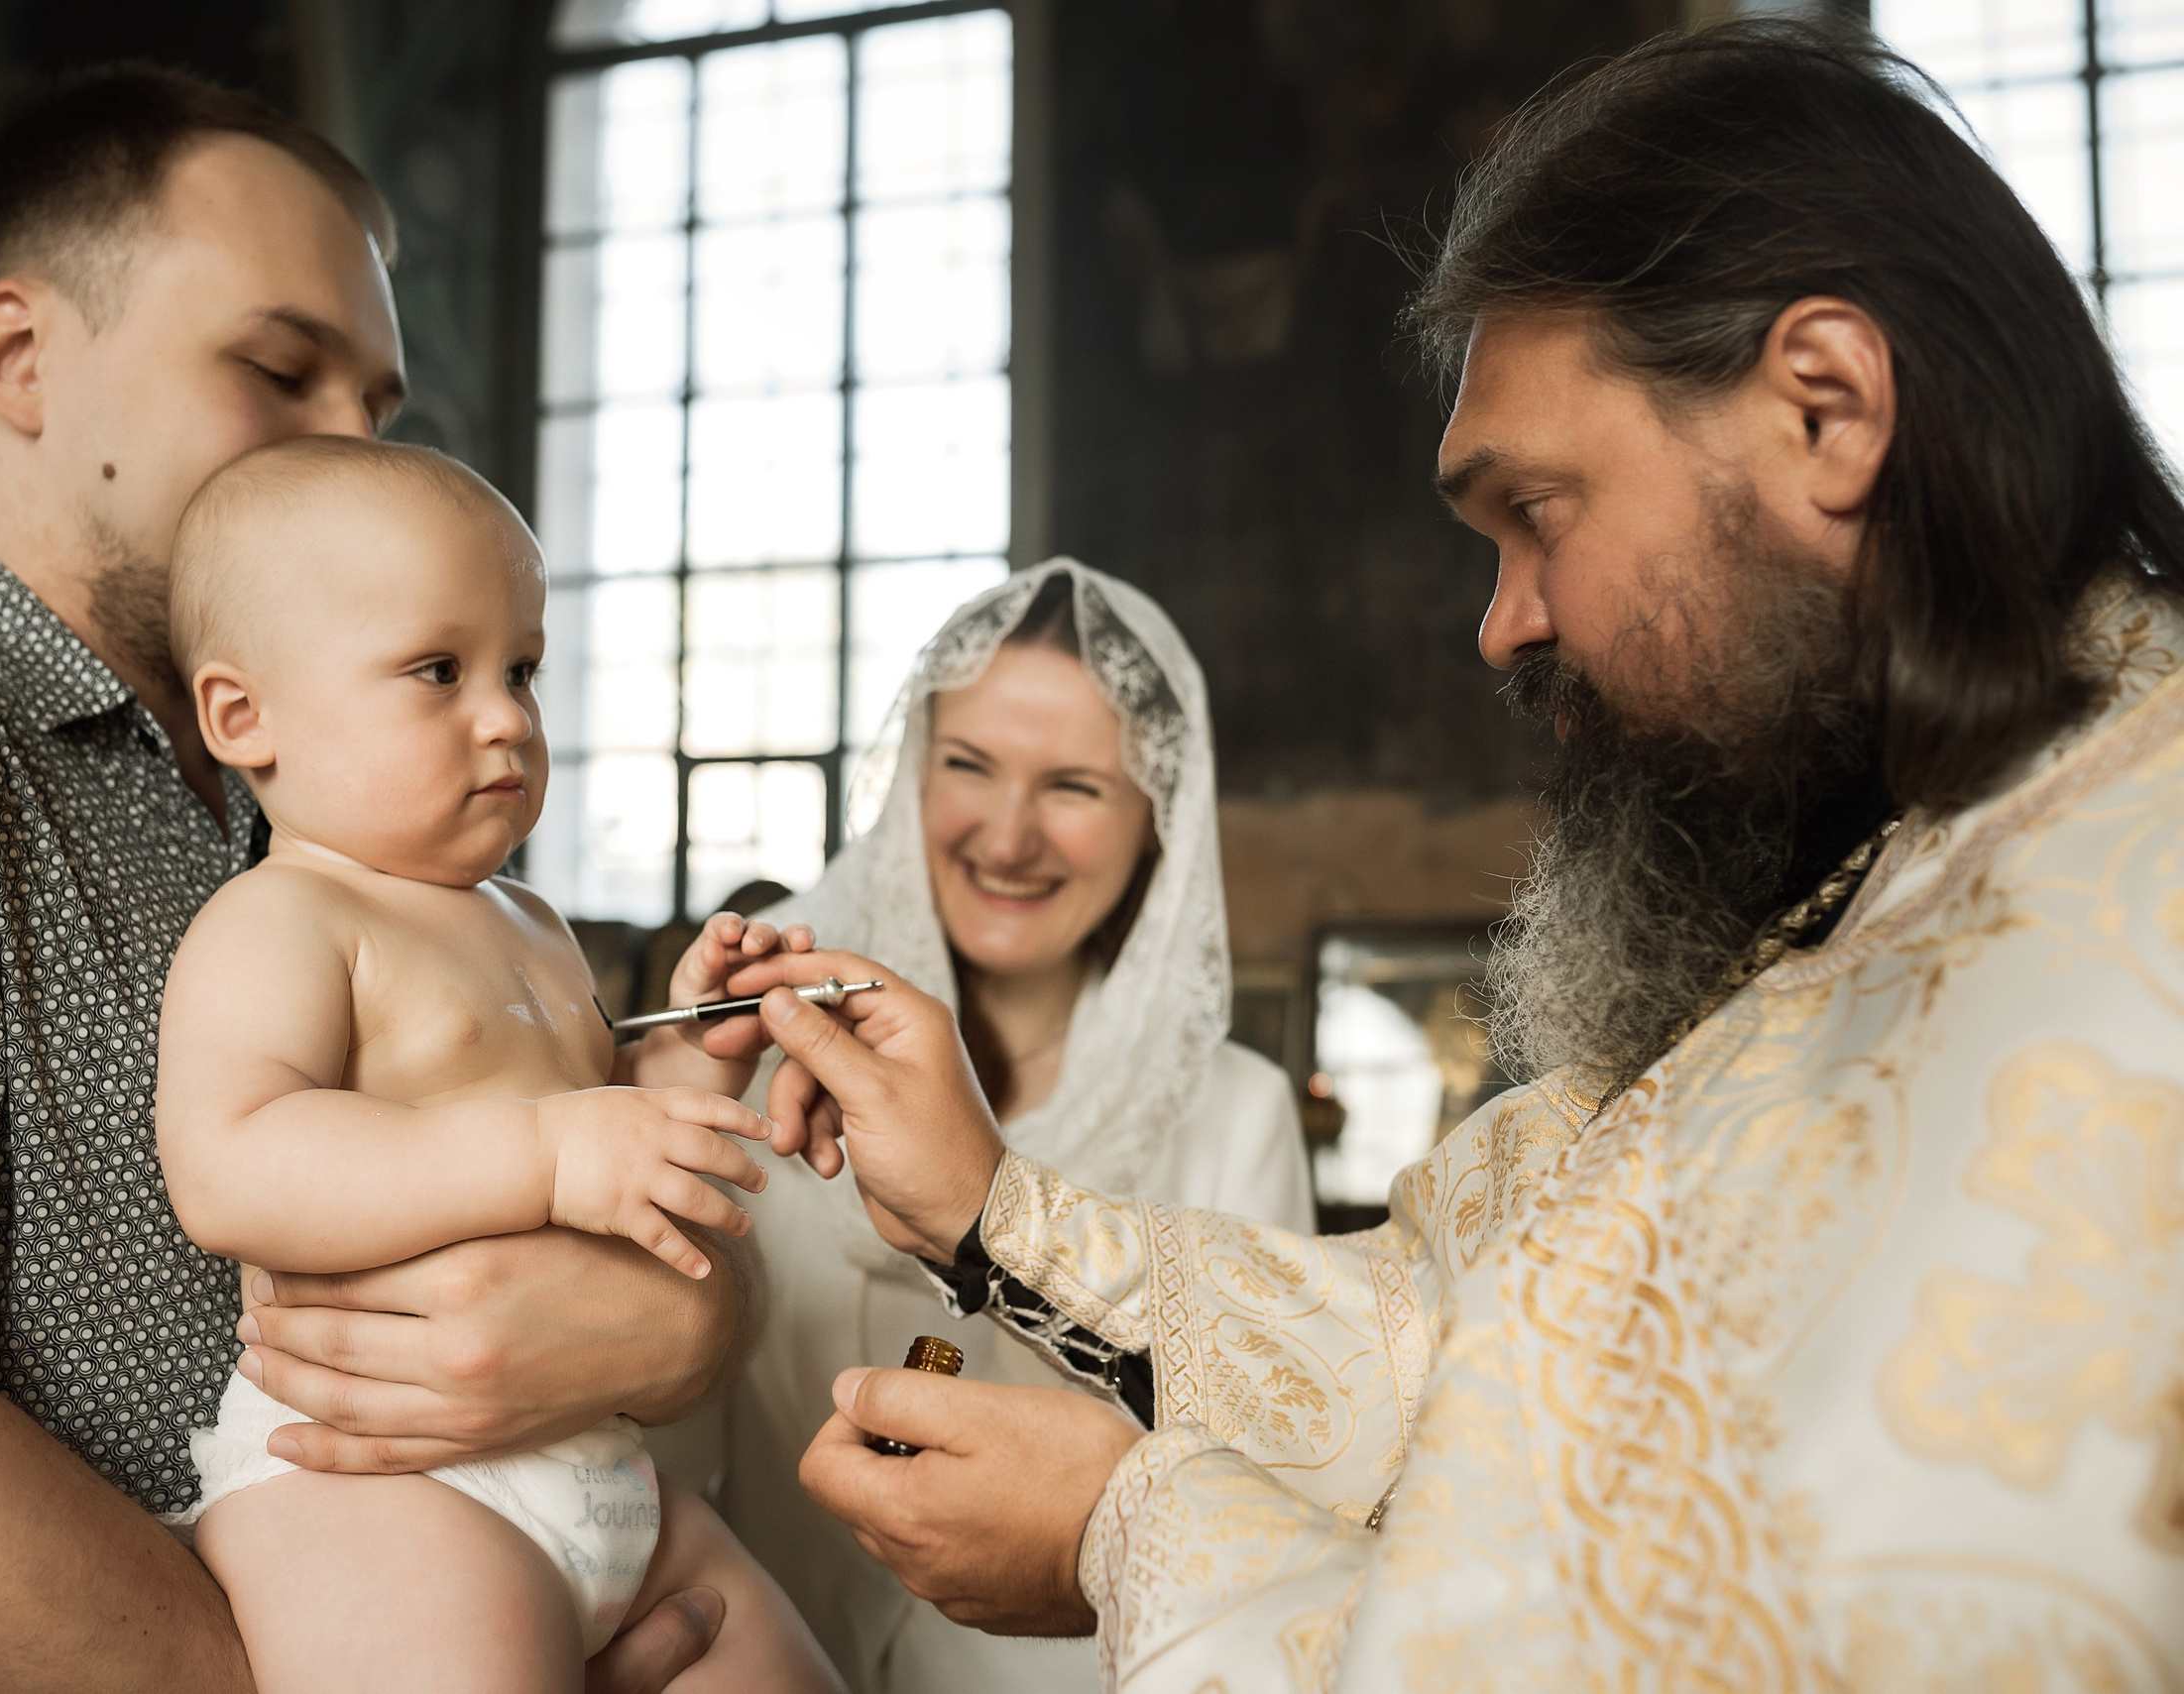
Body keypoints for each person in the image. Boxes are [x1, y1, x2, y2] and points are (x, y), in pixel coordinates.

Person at [724, 22, 2184, 1690]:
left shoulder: (2130, 895)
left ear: (1827, 408)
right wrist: (990, 1204)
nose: (1500, 628)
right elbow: (1453, 1328)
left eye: (1537, 514)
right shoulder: (1853, 870)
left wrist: (1129, 1530)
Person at [0, 71, 736, 1693]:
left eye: (379, 402)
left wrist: (678, 1329)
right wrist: (373, 1650)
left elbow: (553, 1182)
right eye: (281, 368)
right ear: (19, 360)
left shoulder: (386, 798)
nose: (356, 450)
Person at [153, 436, 845, 1692]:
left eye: (520, 669)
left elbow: (606, 1142)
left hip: (599, 1465)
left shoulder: (528, 921)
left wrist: (695, 1063)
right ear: (241, 716)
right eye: (438, 670)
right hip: (378, 1486)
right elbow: (231, 1159)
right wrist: (548, 1151)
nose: (505, 717)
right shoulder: (279, 919)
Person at [675, 560, 1311, 1693]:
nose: (1008, 837)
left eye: (1071, 785)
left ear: (1155, 817)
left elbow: (1267, 1504)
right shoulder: (755, 1017)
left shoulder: (1238, 1114)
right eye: (967, 765)